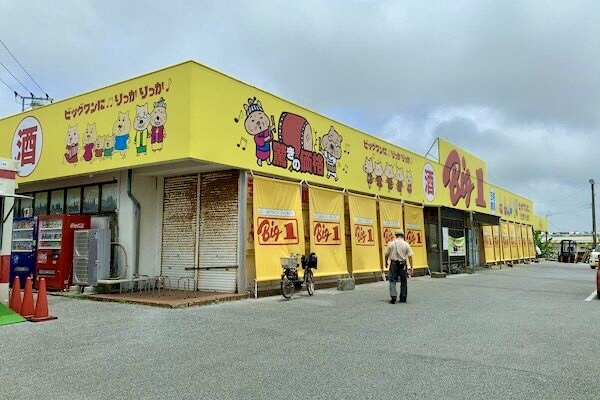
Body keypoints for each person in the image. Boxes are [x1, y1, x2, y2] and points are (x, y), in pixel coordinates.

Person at [384, 229, 414, 304]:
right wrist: (411, 266)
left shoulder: (391, 244)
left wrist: (386, 262)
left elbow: (386, 254)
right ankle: (403, 297)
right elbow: (410, 256)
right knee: (403, 281)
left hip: (393, 264)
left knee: (392, 280)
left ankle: (393, 296)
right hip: (403, 264)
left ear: (396, 235)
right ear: (403, 235)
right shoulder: (406, 244)